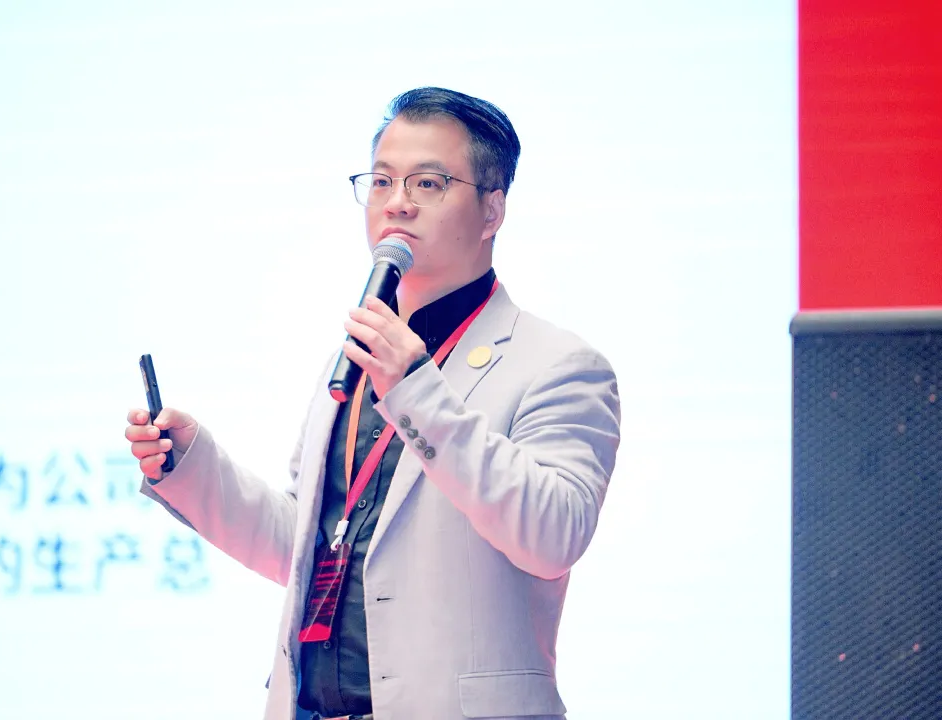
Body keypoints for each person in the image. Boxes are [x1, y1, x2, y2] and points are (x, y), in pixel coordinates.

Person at [125, 87, 621, 720]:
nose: (397, 203)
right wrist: (192, 465)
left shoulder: (556, 364)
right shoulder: (353, 363)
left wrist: (415, 387)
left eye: (429, 183)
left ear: (492, 210)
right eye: (382, 181)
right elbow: (304, 545)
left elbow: (552, 535)